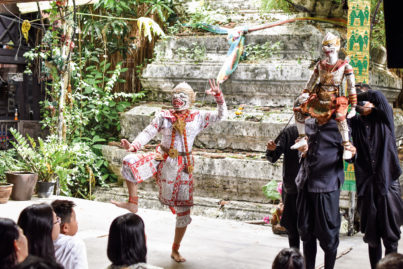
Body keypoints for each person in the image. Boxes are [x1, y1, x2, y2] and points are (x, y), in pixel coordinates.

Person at [112, 79, 227, 262]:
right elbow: (148, 132)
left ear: (190, 99)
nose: (177, 99)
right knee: (129, 161)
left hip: (183, 167)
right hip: (162, 158)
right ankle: (133, 202)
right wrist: (133, 146)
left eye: (182, 96)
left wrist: (219, 97)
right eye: (175, 95)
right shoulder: (164, 116)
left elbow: (220, 116)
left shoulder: (197, 117)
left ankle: (175, 249)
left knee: (184, 211)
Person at [349, 85, 403, 269]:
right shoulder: (354, 123)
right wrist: (352, 153)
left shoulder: (384, 117)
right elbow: (349, 151)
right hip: (367, 186)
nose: (359, 104)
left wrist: (355, 94)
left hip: (388, 184)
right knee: (372, 237)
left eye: (362, 99)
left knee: (391, 236)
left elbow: (378, 96)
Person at [295, 117, 356, 269]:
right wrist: (302, 151)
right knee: (306, 233)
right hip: (305, 184)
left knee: (329, 237)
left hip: (326, 187)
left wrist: (352, 152)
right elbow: (301, 152)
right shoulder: (307, 123)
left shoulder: (340, 126)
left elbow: (349, 156)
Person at [292, 32, 357, 160]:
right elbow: (311, 81)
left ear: (337, 46)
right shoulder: (320, 65)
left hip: (335, 98)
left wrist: (354, 106)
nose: (327, 49)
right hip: (320, 96)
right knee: (298, 108)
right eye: (325, 46)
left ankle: (346, 145)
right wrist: (304, 93)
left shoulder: (345, 66)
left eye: (330, 45)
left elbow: (351, 87)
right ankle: (302, 137)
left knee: (340, 115)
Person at [266, 125, 301, 249]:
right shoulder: (289, 131)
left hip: (311, 187)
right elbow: (273, 156)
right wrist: (271, 149)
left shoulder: (319, 128)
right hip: (292, 186)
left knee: (309, 231)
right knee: (292, 229)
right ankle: (294, 259)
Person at [51, 200, 88, 269]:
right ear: (65, 227)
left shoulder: (41, 240)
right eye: (75, 219)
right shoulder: (75, 244)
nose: (77, 223)